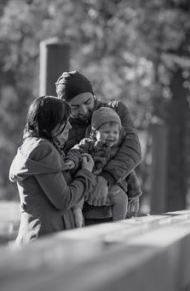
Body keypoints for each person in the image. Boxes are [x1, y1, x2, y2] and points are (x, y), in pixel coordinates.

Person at [55, 70, 142, 219]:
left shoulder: (116, 110)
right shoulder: (62, 126)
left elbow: (132, 149)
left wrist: (105, 178)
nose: (83, 110)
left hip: (116, 204)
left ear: (93, 94)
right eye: (74, 107)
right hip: (81, 210)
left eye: (87, 102)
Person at [9, 96, 95, 243]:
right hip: (45, 241)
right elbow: (64, 200)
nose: (69, 126)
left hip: (38, 238)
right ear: (46, 124)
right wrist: (86, 173)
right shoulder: (44, 149)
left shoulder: (31, 146)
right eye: (63, 122)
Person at [63, 107, 142, 224]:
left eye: (115, 132)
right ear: (95, 133)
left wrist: (134, 194)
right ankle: (78, 214)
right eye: (106, 132)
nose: (111, 136)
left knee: (123, 199)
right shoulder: (88, 144)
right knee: (78, 191)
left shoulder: (118, 151)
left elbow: (129, 173)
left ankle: (119, 222)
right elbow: (76, 152)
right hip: (89, 184)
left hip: (112, 189)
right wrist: (72, 161)